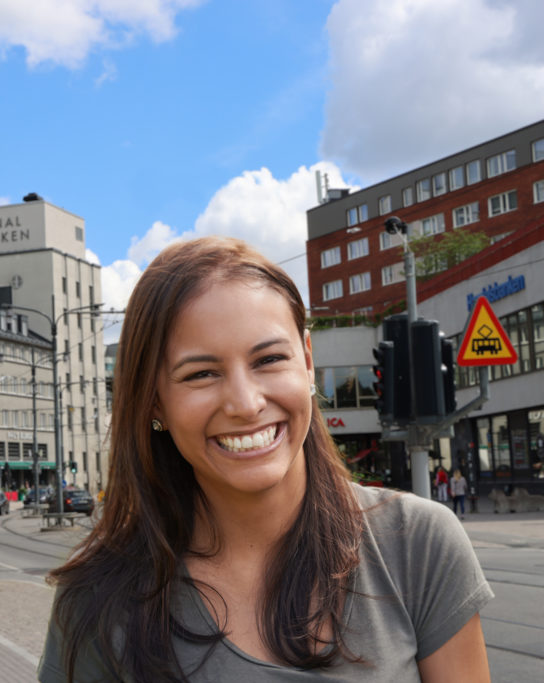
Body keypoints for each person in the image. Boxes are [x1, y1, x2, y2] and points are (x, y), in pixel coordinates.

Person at [39, 237, 492, 682]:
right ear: (154, 402)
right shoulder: (96, 601)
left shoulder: (418, 545)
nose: (245, 403)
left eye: (269, 359)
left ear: (308, 362)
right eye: (201, 373)